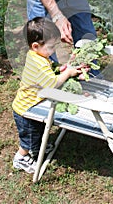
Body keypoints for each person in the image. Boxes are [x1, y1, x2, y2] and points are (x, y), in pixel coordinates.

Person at [12, 17, 82, 174]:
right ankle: (21, 158)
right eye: (51, 47)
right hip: (26, 108)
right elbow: (52, 84)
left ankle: (38, 150)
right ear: (36, 46)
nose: (53, 50)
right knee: (29, 138)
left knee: (39, 129)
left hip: (33, 103)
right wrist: (68, 73)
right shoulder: (38, 63)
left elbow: (50, 74)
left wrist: (64, 69)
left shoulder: (38, 56)